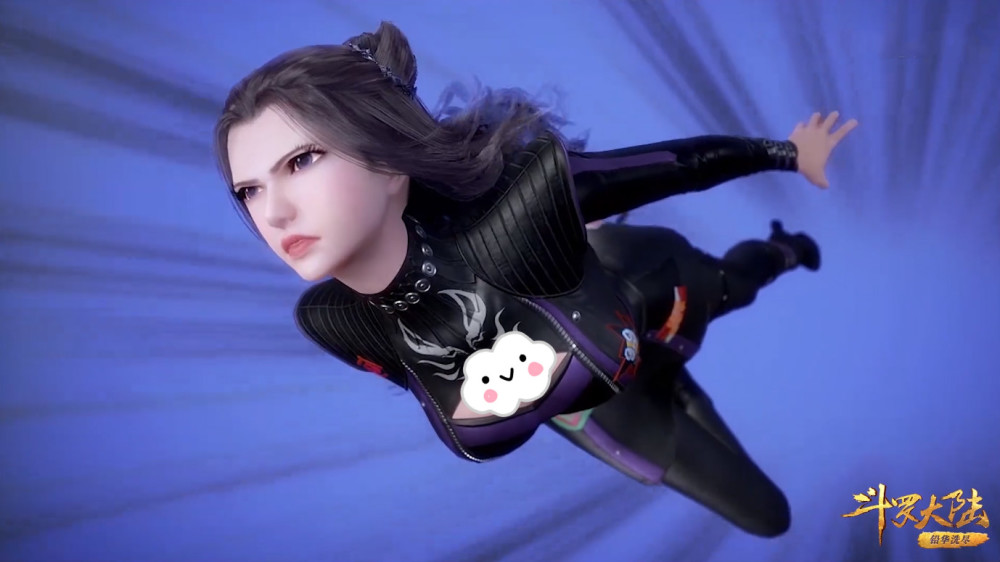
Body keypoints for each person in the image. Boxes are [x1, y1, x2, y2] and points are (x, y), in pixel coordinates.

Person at [213, 21, 857, 538]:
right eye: (248, 190)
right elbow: (440, 385)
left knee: (738, 280)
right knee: (769, 517)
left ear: (386, 160)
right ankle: (675, 382)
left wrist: (786, 154)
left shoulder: (524, 196)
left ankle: (784, 248)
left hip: (656, 285)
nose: (274, 213)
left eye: (302, 160)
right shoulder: (335, 319)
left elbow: (671, 166)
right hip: (608, 405)